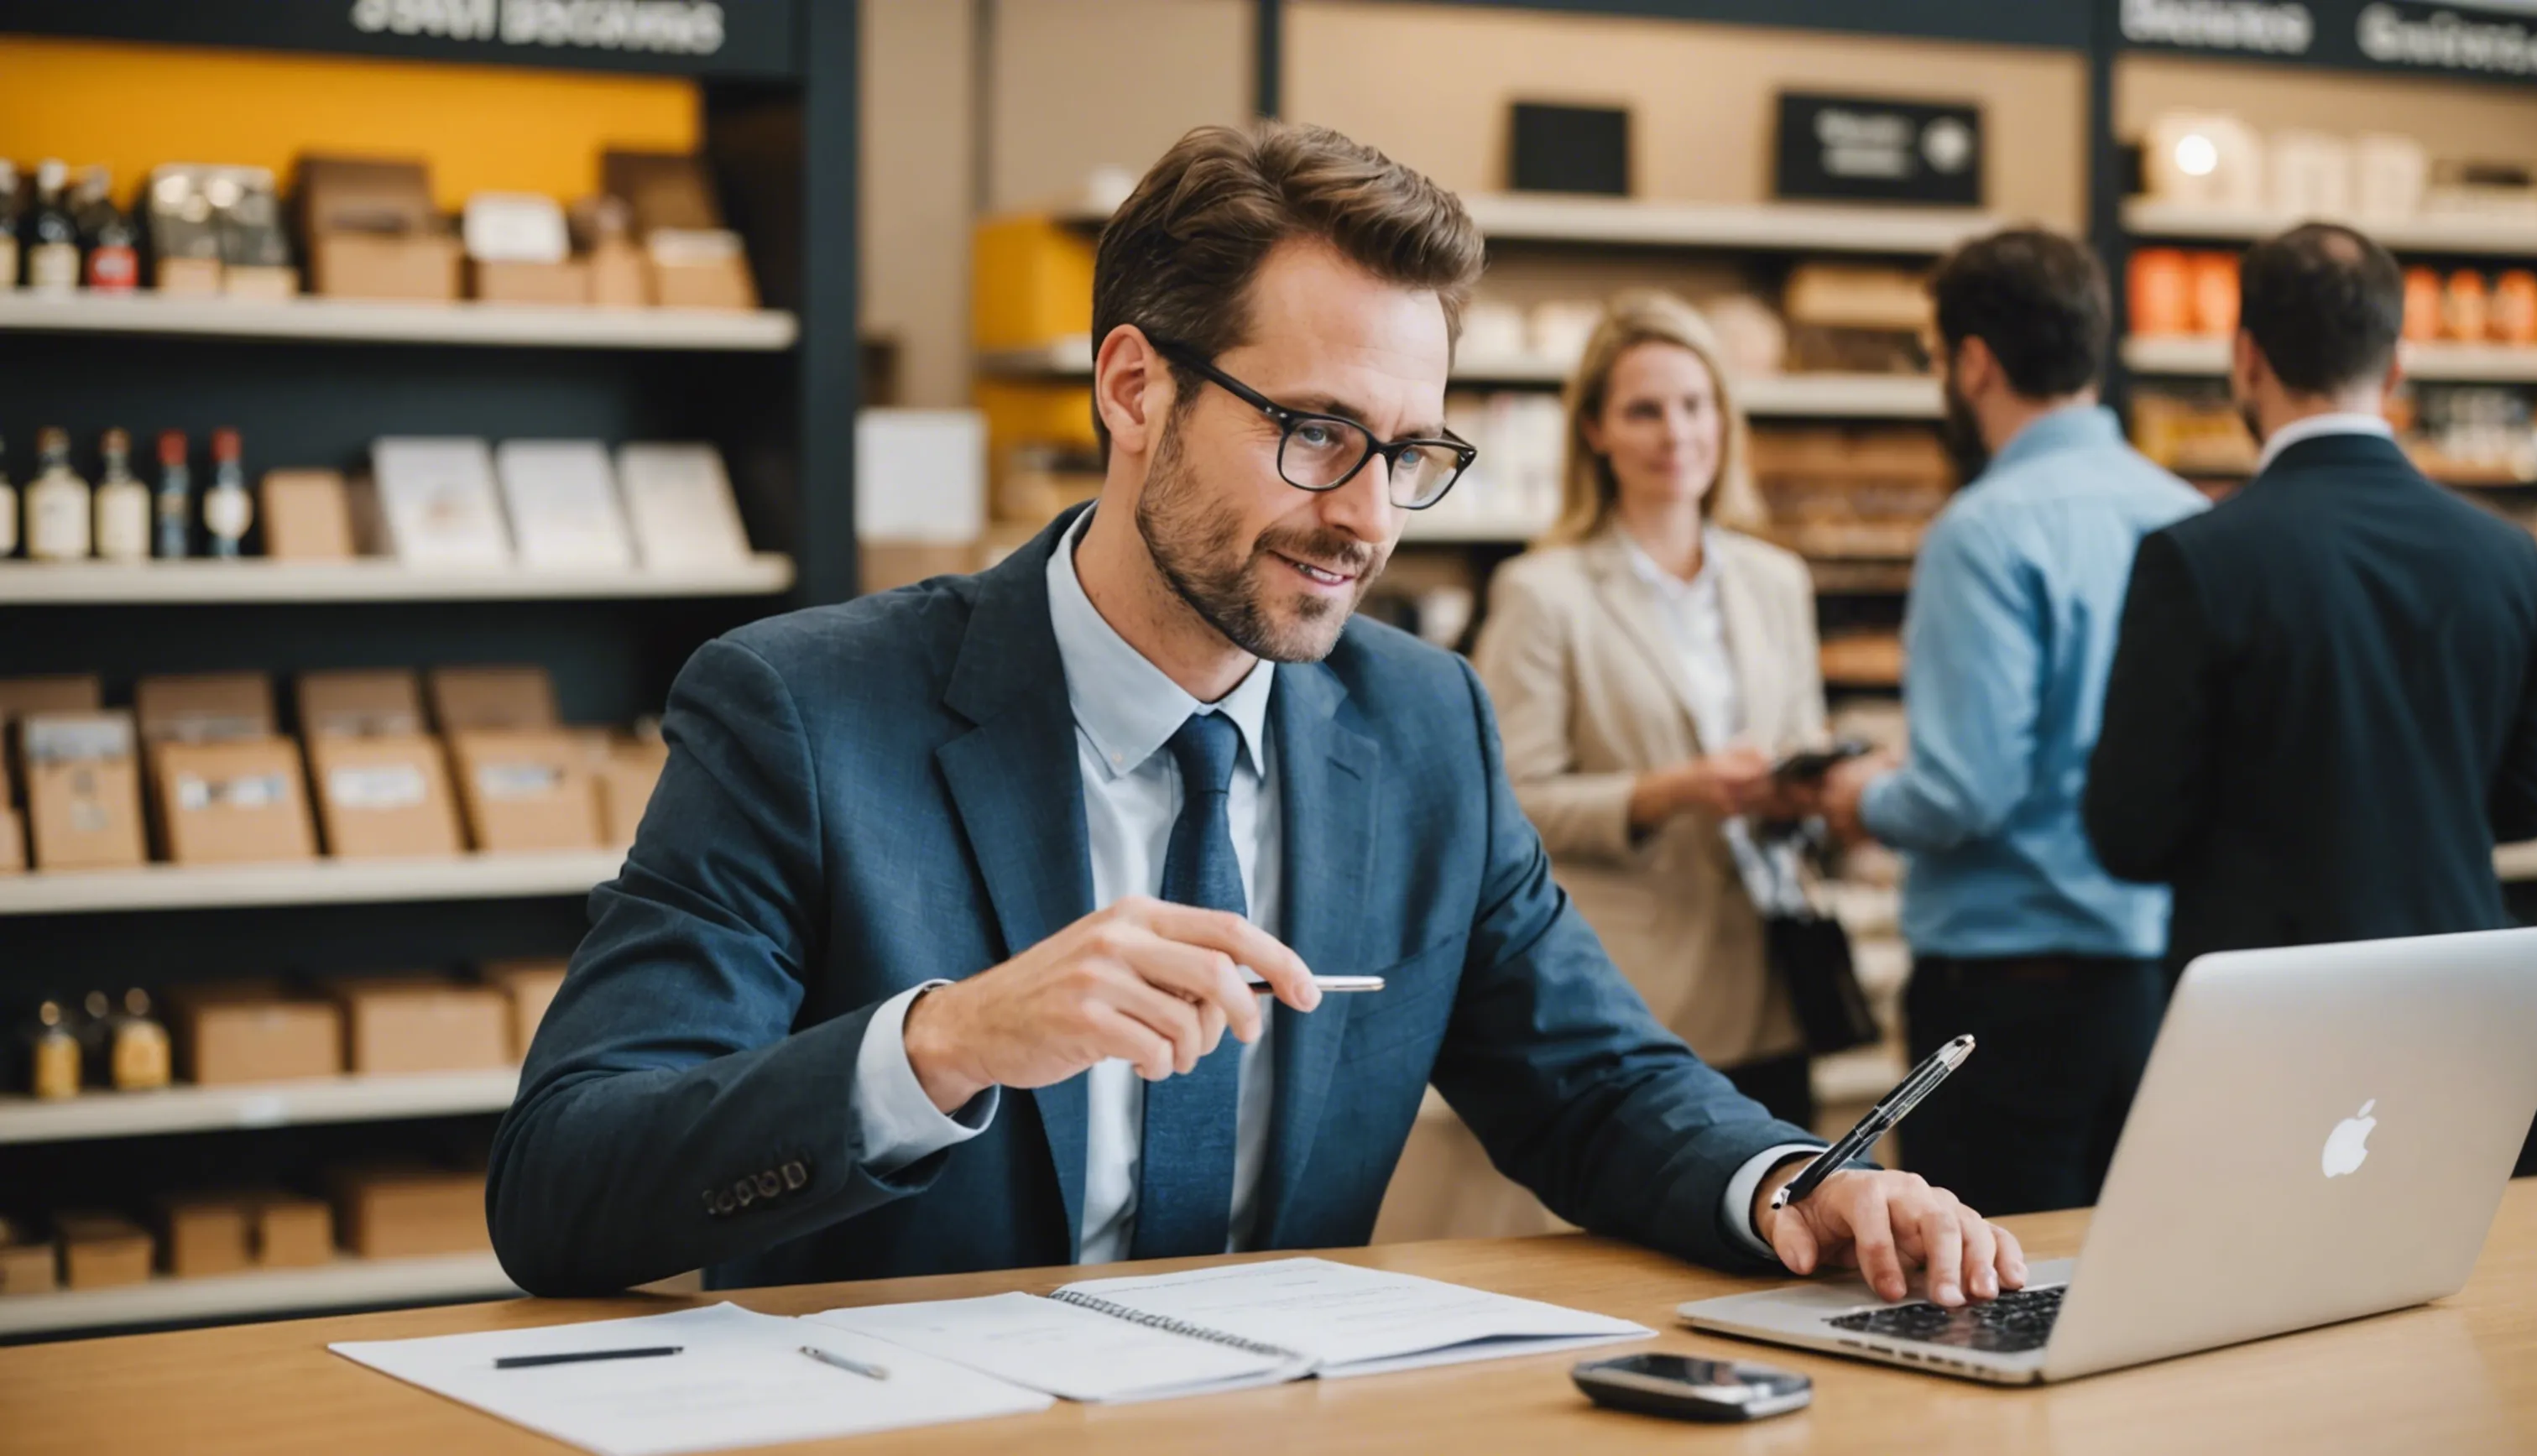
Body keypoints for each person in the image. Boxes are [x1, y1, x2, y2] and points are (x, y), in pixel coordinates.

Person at [488, 121, 2026, 1313]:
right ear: (1132, 386)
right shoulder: (805, 715)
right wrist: (944, 1042)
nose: (1364, 517)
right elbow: (561, 1186)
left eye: (1409, 454)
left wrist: (1780, 1185)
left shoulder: (1425, 726)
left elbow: (1591, 1080)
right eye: (1312, 434)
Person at [1816, 228, 2208, 1217]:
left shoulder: (1984, 529)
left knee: (1983, 1288)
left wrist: (1861, 793)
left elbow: (1965, 790)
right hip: (2158, 981)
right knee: (2137, 1279)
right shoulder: (2186, 512)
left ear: (1975, 361)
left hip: (2003, 1003)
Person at [2085, 223, 2537, 971]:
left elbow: (2130, 832)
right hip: (2460, 983)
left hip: (2269, 1000)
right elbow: (2533, 804)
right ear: (2397, 365)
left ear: (2246, 359)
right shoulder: (2506, 555)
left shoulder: (2195, 558)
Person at [1472, 291, 1829, 1129]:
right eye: (1645, 410)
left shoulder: (1776, 581)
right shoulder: (1542, 592)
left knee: (1794, 1230)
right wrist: (1674, 790)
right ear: (1594, 429)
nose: (1677, 433)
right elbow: (1510, 803)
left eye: (1695, 404)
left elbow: (1801, 735)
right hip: (1634, 993)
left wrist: (1809, 787)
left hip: (1773, 981)